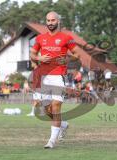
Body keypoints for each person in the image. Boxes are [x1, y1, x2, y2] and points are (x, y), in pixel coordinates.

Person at [30, 11, 81, 149]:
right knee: (47, 111)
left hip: (59, 76)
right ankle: (63, 125)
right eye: (48, 20)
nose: (50, 23)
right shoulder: (40, 38)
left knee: (56, 106)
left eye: (53, 20)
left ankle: (51, 141)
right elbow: (32, 54)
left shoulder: (66, 38)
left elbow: (77, 54)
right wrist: (39, 58)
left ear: (58, 21)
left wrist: (67, 58)